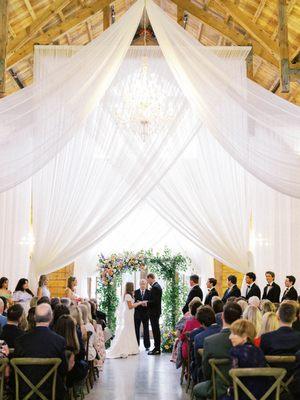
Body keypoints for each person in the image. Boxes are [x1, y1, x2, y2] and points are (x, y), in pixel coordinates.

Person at [13, 304, 69, 399]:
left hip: (24, 392)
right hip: (51, 392)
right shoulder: (59, 341)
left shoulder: (20, 340)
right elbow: (63, 370)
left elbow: (14, 371)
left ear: (34, 317)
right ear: (51, 318)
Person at [193, 302, 242, 400]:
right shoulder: (245, 340)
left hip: (219, 388)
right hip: (243, 387)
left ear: (222, 316)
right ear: (240, 318)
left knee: (197, 389)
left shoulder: (210, 341)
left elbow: (206, 371)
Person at [226, 319, 267, 400]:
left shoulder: (234, 351)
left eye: (233, 334)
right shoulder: (259, 351)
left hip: (242, 396)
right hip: (263, 395)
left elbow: (234, 383)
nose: (229, 337)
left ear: (245, 336)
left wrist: (229, 391)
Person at [106, 282, 144, 359]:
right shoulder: (127, 295)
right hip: (128, 314)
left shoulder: (129, 295)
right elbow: (130, 306)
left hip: (130, 314)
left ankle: (131, 347)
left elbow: (131, 304)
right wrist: (139, 303)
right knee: (127, 329)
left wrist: (137, 303)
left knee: (130, 329)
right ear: (131, 287)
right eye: (133, 286)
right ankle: (124, 347)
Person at [54, 315, 88, 388]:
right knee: (84, 365)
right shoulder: (76, 336)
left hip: (56, 373)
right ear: (73, 328)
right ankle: (77, 389)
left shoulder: (54, 340)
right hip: (73, 372)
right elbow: (82, 354)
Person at [147, 273, 163, 355]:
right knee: (155, 330)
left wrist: (146, 303)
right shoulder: (156, 286)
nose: (147, 281)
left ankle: (157, 349)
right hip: (155, 312)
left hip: (154, 312)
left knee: (156, 330)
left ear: (151, 278)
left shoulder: (156, 287)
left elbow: (155, 301)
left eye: (148, 279)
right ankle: (156, 347)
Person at [134, 279, 150, 351]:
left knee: (146, 329)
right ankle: (136, 345)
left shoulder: (149, 292)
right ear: (139, 284)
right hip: (137, 313)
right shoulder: (135, 292)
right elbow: (133, 302)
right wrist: (139, 303)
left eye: (144, 284)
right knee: (136, 329)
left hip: (146, 313)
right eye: (141, 284)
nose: (143, 285)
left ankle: (147, 345)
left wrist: (146, 303)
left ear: (146, 284)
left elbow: (150, 302)